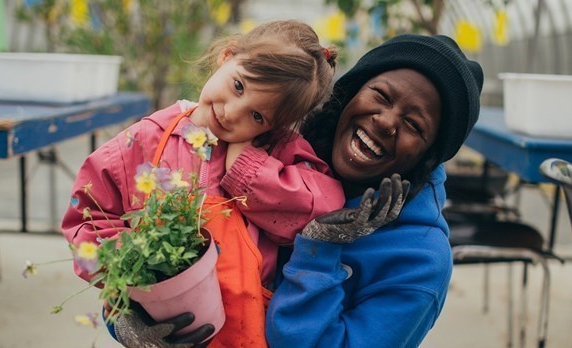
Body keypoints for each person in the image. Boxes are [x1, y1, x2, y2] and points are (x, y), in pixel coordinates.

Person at [111, 33, 483, 348]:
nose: (385, 122)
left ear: (427, 156)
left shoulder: (419, 261)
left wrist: (319, 251)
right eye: (381, 96)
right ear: (350, 93)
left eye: (414, 125)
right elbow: (151, 237)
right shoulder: (269, 151)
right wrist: (124, 313)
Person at [62, 19, 344, 347]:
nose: (231, 112)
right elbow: (88, 215)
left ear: (274, 126)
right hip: (164, 323)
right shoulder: (146, 139)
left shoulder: (276, 150)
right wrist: (132, 283)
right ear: (227, 56)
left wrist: (247, 170)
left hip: (247, 327)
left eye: (257, 116)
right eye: (239, 86)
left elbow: (324, 204)